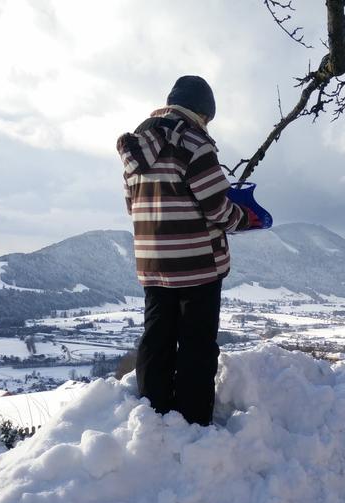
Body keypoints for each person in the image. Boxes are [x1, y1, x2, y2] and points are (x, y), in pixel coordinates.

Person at [116, 75, 261, 426]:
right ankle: (194, 421)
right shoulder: (194, 142)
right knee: (196, 344)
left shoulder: (137, 147)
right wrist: (246, 218)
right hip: (197, 264)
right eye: (208, 117)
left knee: (157, 337)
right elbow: (217, 208)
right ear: (202, 111)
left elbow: (130, 207)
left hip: (152, 262)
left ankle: (154, 413)